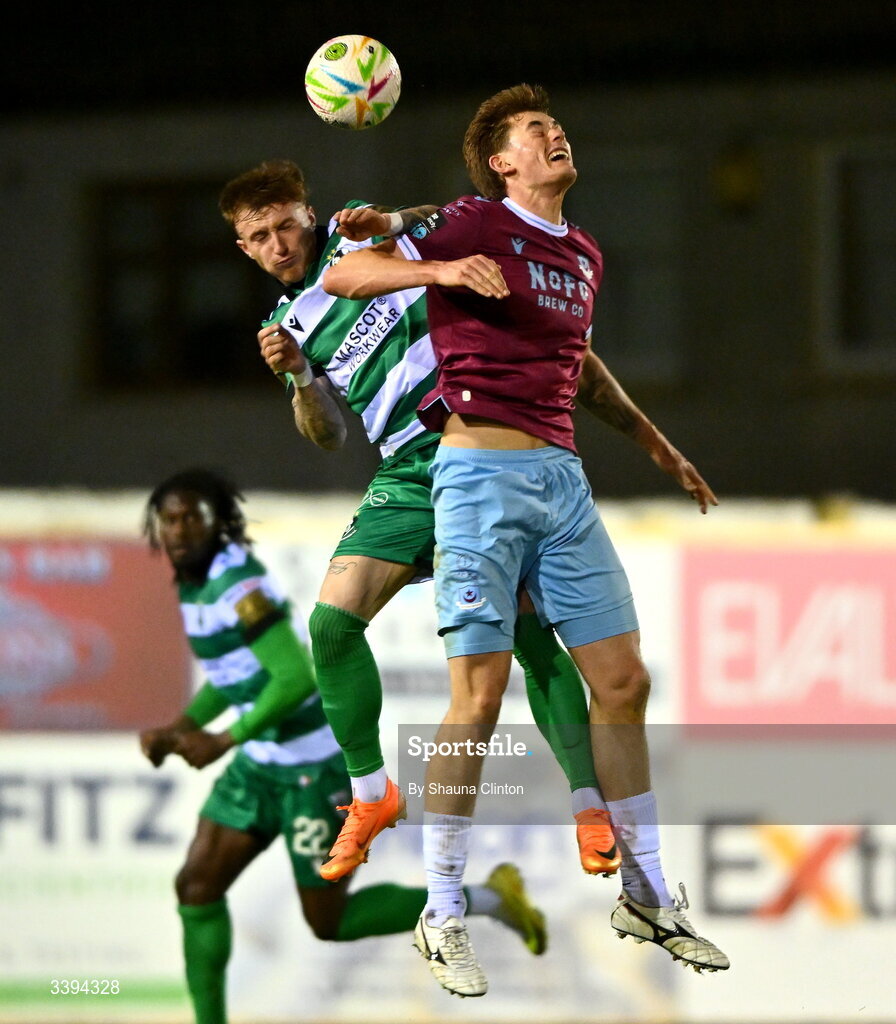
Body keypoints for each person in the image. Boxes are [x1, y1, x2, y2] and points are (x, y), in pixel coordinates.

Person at [322, 84, 730, 996]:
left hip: (562, 481)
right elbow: (344, 276)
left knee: (623, 682)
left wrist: (657, 443)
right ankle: (442, 910)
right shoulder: (473, 221)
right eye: (534, 131)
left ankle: (649, 889)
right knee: (480, 695)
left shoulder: (581, 252)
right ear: (502, 162)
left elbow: (578, 363)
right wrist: (438, 272)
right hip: (475, 479)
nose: (555, 135)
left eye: (558, 126)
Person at [217, 160, 623, 889]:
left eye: (285, 224)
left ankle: (591, 806)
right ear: (244, 250)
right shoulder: (285, 327)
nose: (278, 243)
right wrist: (302, 377)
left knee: (529, 634)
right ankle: (373, 797)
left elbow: (442, 217)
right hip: (406, 472)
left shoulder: (356, 233)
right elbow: (327, 435)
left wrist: (407, 231)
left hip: (479, 445)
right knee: (331, 626)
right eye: (259, 237)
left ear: (308, 215)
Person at [138, 467, 548, 1024]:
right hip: (261, 767)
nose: (180, 529)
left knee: (328, 923)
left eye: (193, 517)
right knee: (196, 886)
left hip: (311, 771)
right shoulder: (192, 582)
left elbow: (295, 679)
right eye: (169, 519)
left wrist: (221, 739)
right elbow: (236, 673)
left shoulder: (239, 587)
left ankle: (494, 899)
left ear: (220, 525)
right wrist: (183, 724)